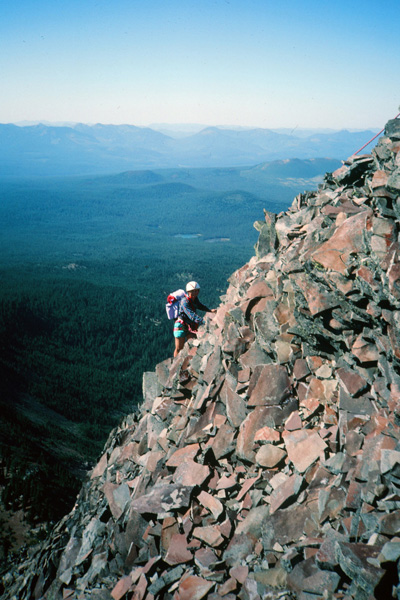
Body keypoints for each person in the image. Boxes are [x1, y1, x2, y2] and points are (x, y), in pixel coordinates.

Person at [173, 281, 216, 357]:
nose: (195, 293)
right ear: (188, 291)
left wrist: (209, 310)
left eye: (197, 291)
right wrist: (204, 321)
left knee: (193, 345)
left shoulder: (194, 299)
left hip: (190, 325)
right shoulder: (184, 301)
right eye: (193, 291)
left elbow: (200, 306)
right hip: (181, 325)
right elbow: (191, 315)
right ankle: (175, 365)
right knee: (179, 348)